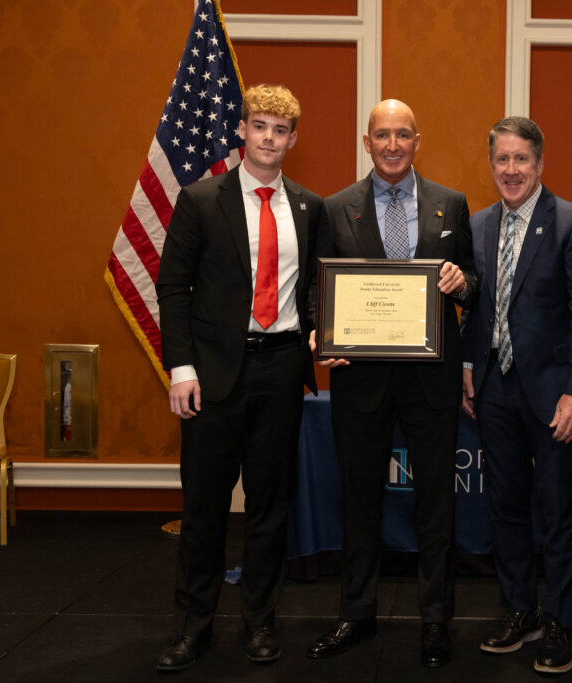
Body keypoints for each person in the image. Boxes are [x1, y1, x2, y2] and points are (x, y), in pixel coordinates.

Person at [155, 84, 322, 672]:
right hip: (212, 374)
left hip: (280, 370)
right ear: (243, 133)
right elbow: (173, 289)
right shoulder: (201, 200)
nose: (269, 139)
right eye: (260, 127)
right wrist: (181, 368)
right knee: (204, 507)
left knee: (270, 507)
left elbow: (318, 291)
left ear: (293, 139)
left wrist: (324, 332)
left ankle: (259, 622)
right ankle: (193, 628)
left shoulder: (309, 205)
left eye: (281, 130)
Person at [306, 99, 475, 668]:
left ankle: (435, 621)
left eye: (404, 135)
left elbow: (472, 281)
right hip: (361, 382)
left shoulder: (451, 203)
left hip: (432, 383)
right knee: (359, 503)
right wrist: (317, 332)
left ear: (417, 140)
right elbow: (316, 287)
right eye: (384, 135)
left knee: (436, 507)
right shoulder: (334, 209)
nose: (394, 145)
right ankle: (356, 614)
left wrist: (461, 281)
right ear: (367, 141)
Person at [461, 116, 572, 675]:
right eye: (502, 160)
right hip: (494, 387)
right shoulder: (477, 226)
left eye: (522, 159)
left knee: (560, 510)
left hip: (552, 393)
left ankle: (561, 622)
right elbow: (475, 307)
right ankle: (520, 609)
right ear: (491, 164)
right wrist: (471, 366)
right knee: (505, 507)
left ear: (540, 164)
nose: (511, 170)